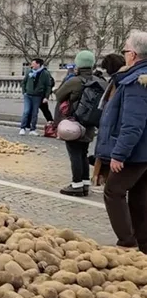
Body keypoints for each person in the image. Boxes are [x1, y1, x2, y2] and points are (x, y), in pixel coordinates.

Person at [95, 31, 147, 250]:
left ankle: (126, 240)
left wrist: (119, 154)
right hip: (143, 151)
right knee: (140, 196)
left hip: (136, 152)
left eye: (125, 50)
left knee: (113, 191)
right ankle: (143, 245)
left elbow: (133, 124)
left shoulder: (136, 82)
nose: (124, 54)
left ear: (133, 55)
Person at [55, 50, 104, 197]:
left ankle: (76, 184)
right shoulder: (100, 81)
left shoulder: (75, 81)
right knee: (83, 152)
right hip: (91, 123)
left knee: (75, 153)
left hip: (75, 122)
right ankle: (84, 183)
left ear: (78, 64)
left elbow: (59, 95)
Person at [90, 53, 127, 192]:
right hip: (108, 125)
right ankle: (100, 179)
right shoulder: (115, 81)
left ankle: (102, 180)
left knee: (107, 154)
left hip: (111, 126)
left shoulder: (118, 82)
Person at [19, 57, 53, 136]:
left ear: (38, 64)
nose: (32, 65)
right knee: (26, 111)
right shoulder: (29, 72)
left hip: (38, 96)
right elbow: (24, 82)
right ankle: (22, 128)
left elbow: (48, 86)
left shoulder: (45, 73)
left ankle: (32, 129)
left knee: (35, 113)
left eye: (33, 64)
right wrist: (24, 92)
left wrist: (46, 97)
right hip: (28, 95)